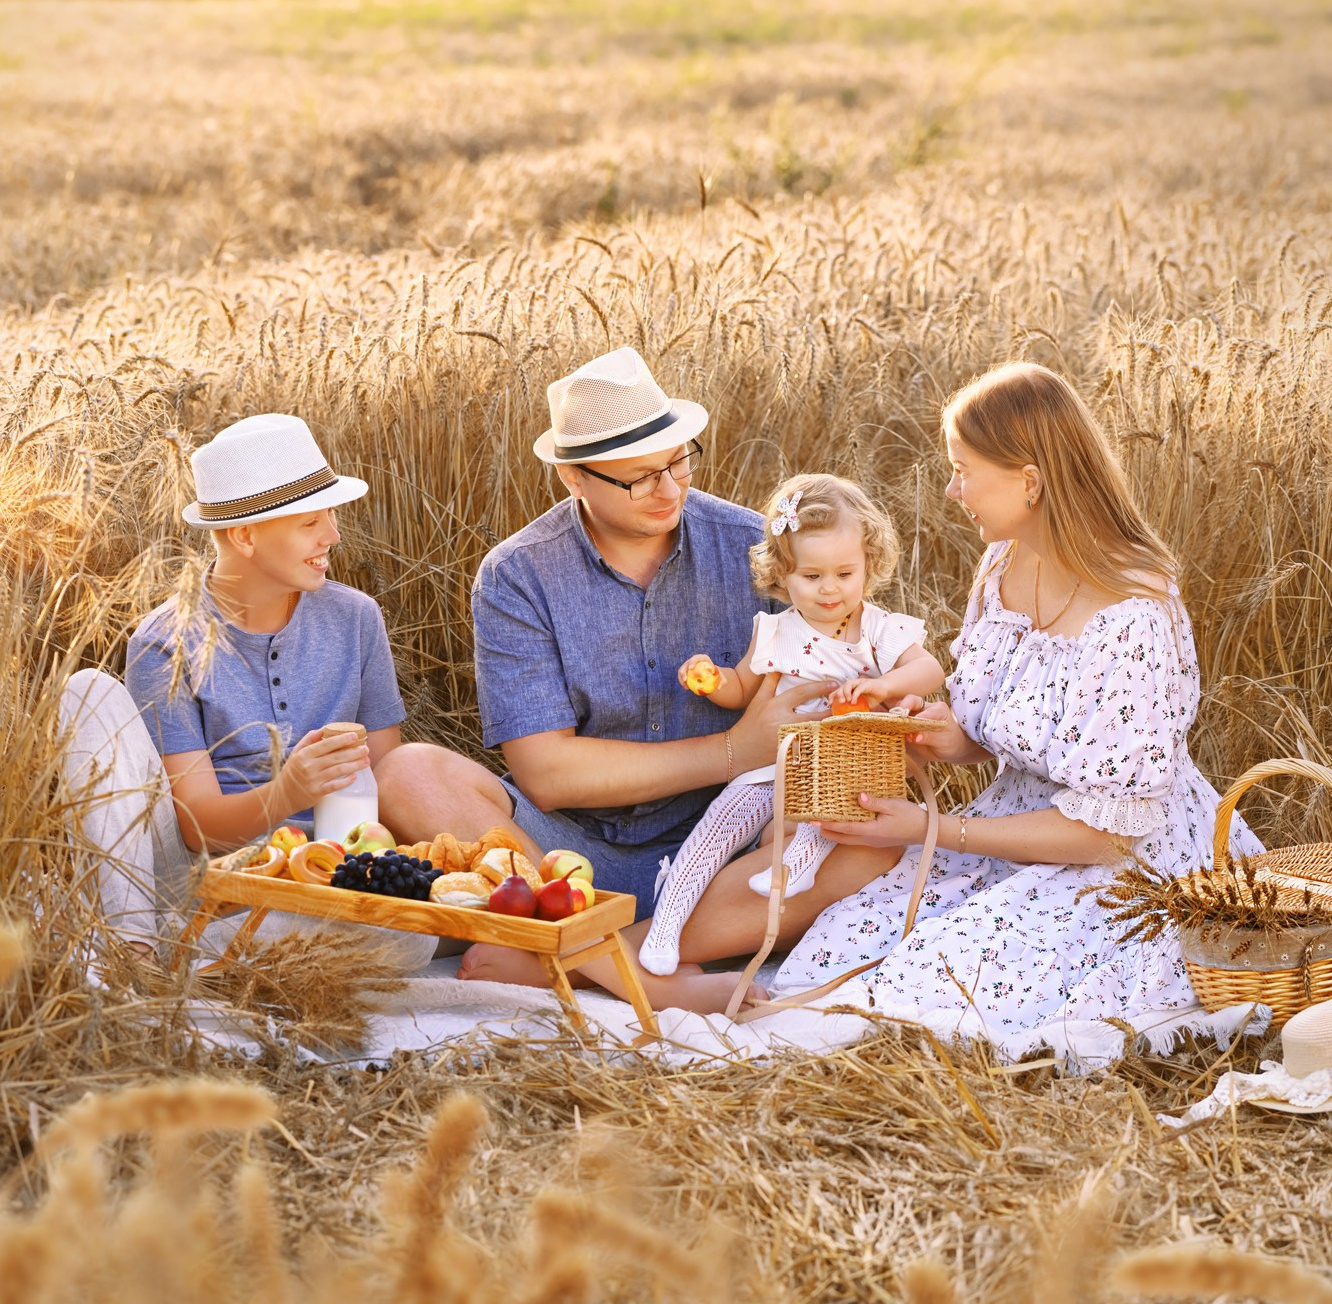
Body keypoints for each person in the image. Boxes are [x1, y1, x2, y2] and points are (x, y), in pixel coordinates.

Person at [770, 362, 1263, 1054]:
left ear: (1029, 480)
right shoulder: (1003, 562)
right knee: (844, 944)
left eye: (963, 470)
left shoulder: (1135, 617)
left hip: (1123, 864)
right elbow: (993, 728)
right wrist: (941, 734)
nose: (951, 489)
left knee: (925, 994)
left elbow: (1107, 835)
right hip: (1012, 827)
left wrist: (928, 830)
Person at [59, 413, 528, 964]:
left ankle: (197, 952)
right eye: (311, 522)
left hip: (320, 881)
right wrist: (287, 793)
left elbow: (388, 777)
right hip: (199, 873)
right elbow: (194, 827)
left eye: (330, 514)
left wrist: (393, 869)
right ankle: (137, 945)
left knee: (403, 935)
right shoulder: (167, 640)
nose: (333, 534)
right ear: (244, 534)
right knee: (86, 690)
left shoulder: (356, 618)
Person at [468, 347, 832, 921]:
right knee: (413, 775)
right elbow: (546, 776)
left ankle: (581, 944)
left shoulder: (756, 547)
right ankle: (629, 944)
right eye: (640, 478)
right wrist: (734, 750)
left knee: (855, 843)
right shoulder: (517, 574)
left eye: (678, 462)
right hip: (562, 853)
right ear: (572, 477)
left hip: (729, 846)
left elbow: (838, 665)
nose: (669, 491)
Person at [637, 473, 945, 976]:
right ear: (783, 575)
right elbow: (744, 687)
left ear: (869, 566)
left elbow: (928, 669)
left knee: (832, 804)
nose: (830, 590)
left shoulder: (877, 629)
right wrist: (712, 680)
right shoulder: (776, 629)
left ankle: (798, 862)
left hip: (844, 770)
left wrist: (881, 688)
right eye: (812, 576)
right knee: (720, 821)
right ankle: (669, 916)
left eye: (845, 574)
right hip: (774, 762)